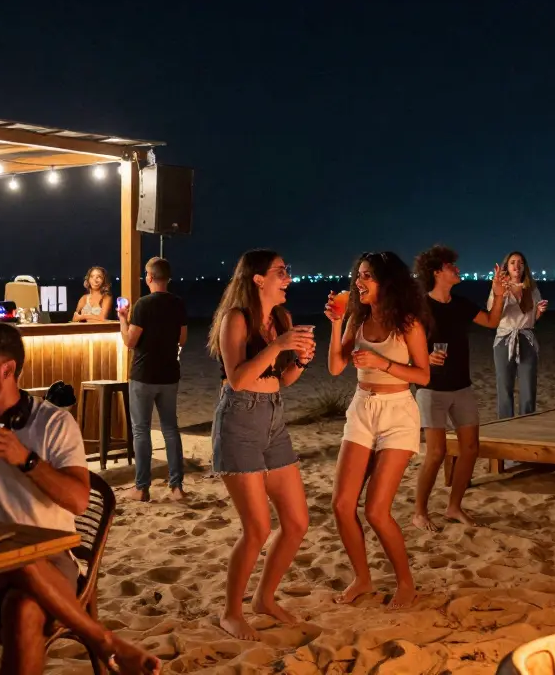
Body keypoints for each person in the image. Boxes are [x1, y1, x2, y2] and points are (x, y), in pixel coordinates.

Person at [0, 322, 159, 674]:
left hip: (50, 564)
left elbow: (78, 501)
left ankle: (100, 639)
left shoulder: (54, 424)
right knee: (10, 557)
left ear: (7, 369)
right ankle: (102, 640)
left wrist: (25, 459)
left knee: (23, 607)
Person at [208, 250, 316, 641]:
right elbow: (237, 378)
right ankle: (231, 612)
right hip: (239, 419)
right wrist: (279, 345)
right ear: (257, 279)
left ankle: (264, 598)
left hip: (274, 416)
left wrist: (300, 360)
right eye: (281, 271)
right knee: (256, 528)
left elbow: (280, 380)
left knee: (297, 522)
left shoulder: (280, 320)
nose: (287, 277)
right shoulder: (236, 319)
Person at [325, 251, 430, 610]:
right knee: (341, 505)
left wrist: (382, 362)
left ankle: (405, 582)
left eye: (367, 276)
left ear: (387, 282)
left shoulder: (408, 324)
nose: (359, 281)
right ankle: (363, 578)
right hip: (361, 410)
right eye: (358, 274)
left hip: (398, 413)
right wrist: (337, 323)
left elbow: (423, 375)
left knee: (375, 510)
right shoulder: (357, 318)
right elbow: (337, 367)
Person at [408, 246, 508, 533]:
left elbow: (492, 321)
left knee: (471, 448)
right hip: (431, 389)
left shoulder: (461, 304)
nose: (457, 269)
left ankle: (454, 507)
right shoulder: (420, 308)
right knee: (436, 452)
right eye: (451, 265)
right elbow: (403, 347)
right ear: (437, 272)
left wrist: (498, 295)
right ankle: (419, 512)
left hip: (461, 387)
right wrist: (424, 358)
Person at [117, 257, 188, 502]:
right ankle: (177, 486)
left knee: (141, 431)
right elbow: (182, 339)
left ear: (148, 277)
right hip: (169, 374)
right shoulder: (178, 303)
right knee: (171, 429)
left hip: (144, 375)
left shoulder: (143, 305)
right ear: (167, 277)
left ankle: (142, 487)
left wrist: (123, 318)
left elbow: (130, 341)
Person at [491, 251, 547, 419]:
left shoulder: (532, 288)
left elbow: (532, 320)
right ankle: (505, 423)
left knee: (528, 386)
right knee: (504, 386)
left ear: (524, 267)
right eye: (513, 262)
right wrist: (499, 293)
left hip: (526, 337)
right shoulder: (500, 287)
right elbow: (493, 313)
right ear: (507, 267)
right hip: (504, 339)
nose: (517, 265)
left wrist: (539, 311)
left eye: (520, 263)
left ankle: (526, 423)